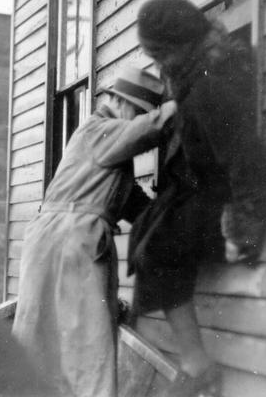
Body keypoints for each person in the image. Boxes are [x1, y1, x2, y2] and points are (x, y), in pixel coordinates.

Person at [128, 0, 266, 396]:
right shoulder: (191, 75)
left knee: (158, 247)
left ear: (181, 43)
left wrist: (243, 226)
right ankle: (194, 361)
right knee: (147, 230)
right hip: (204, 184)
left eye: (159, 53)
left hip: (226, 192)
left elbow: (249, 161)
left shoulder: (210, 84)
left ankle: (197, 364)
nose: (158, 63)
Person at [12, 67, 176, 397]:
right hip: (71, 236)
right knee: (89, 357)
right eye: (139, 113)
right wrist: (186, 101)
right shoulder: (97, 129)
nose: (137, 121)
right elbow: (149, 130)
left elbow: (139, 208)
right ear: (119, 102)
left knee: (43, 343)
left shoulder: (110, 157)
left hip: (54, 239)